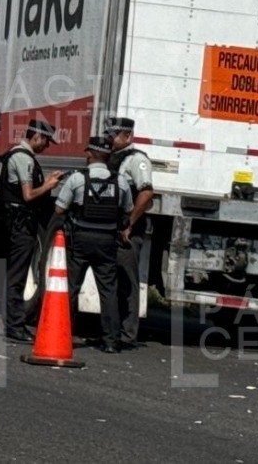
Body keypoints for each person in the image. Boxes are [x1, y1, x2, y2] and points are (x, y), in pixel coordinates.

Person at [55, 136, 133, 354]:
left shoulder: (78, 179)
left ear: (89, 153)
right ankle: (111, 341)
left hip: (80, 239)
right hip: (107, 240)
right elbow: (128, 210)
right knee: (108, 290)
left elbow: (60, 209)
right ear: (108, 155)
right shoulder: (121, 181)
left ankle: (63, 335)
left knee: (71, 289)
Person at [0, 119, 64, 343]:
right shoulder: (23, 158)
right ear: (36, 136)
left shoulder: (17, 155)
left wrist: (45, 181)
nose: (47, 146)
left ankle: (14, 324)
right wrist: (48, 185)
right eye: (46, 141)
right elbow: (28, 195)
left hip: (17, 221)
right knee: (17, 275)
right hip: (22, 223)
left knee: (16, 273)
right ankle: (15, 326)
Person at [106, 116, 155, 348]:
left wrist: (129, 224)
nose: (109, 137)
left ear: (127, 136)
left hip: (128, 231)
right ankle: (112, 332)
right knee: (111, 281)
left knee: (127, 282)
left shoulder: (137, 160)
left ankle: (127, 335)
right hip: (111, 228)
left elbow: (146, 194)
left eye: (114, 134)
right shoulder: (112, 158)